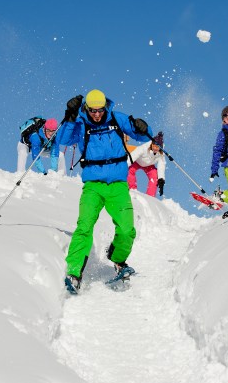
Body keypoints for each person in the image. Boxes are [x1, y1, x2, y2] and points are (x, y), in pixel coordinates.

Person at [57, 89, 151, 293]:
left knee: (127, 230)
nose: (97, 114)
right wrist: (70, 116)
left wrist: (142, 126)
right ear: (87, 108)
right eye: (93, 110)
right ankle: (74, 273)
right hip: (93, 185)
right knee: (84, 227)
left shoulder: (117, 118)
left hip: (117, 184)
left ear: (105, 106)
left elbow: (144, 135)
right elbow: (63, 140)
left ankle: (117, 259)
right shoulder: (81, 122)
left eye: (100, 110)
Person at [127, 131, 167, 197]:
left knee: (154, 176)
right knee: (129, 170)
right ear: (151, 144)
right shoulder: (144, 148)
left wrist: (161, 179)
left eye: (157, 147)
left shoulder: (161, 154)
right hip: (137, 162)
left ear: (160, 147)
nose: (155, 148)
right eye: (154, 146)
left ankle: (150, 196)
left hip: (149, 166)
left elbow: (161, 166)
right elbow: (133, 156)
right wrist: (124, 166)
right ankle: (132, 189)